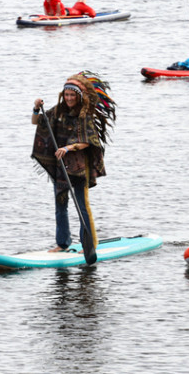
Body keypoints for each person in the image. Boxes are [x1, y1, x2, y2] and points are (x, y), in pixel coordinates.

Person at [31, 72, 116, 253]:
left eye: (72, 95)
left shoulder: (85, 115)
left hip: (78, 167)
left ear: (78, 96)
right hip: (61, 167)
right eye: (67, 95)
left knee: (82, 205)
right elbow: (36, 122)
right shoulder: (57, 111)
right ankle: (63, 244)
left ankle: (90, 244)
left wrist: (68, 148)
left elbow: (89, 141)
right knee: (60, 206)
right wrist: (36, 108)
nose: (69, 98)